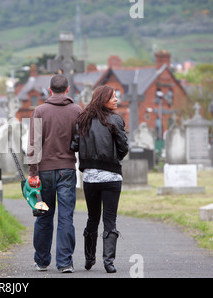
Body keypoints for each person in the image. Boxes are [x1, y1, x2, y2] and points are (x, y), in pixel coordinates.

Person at [70, 85, 129, 273]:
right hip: (111, 176)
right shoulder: (116, 121)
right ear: (102, 99)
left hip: (90, 178)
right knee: (110, 219)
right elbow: (123, 147)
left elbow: (74, 145)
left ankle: (89, 259)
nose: (116, 100)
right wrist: (115, 158)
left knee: (92, 217)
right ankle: (108, 262)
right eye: (112, 97)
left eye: (116, 97)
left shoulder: (83, 120)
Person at [27, 74, 82, 273]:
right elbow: (81, 142)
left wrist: (33, 173)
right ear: (67, 90)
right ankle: (65, 262)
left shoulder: (40, 111)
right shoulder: (77, 110)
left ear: (50, 90)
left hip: (44, 171)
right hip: (67, 169)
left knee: (43, 215)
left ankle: (42, 260)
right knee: (66, 216)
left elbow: (34, 144)